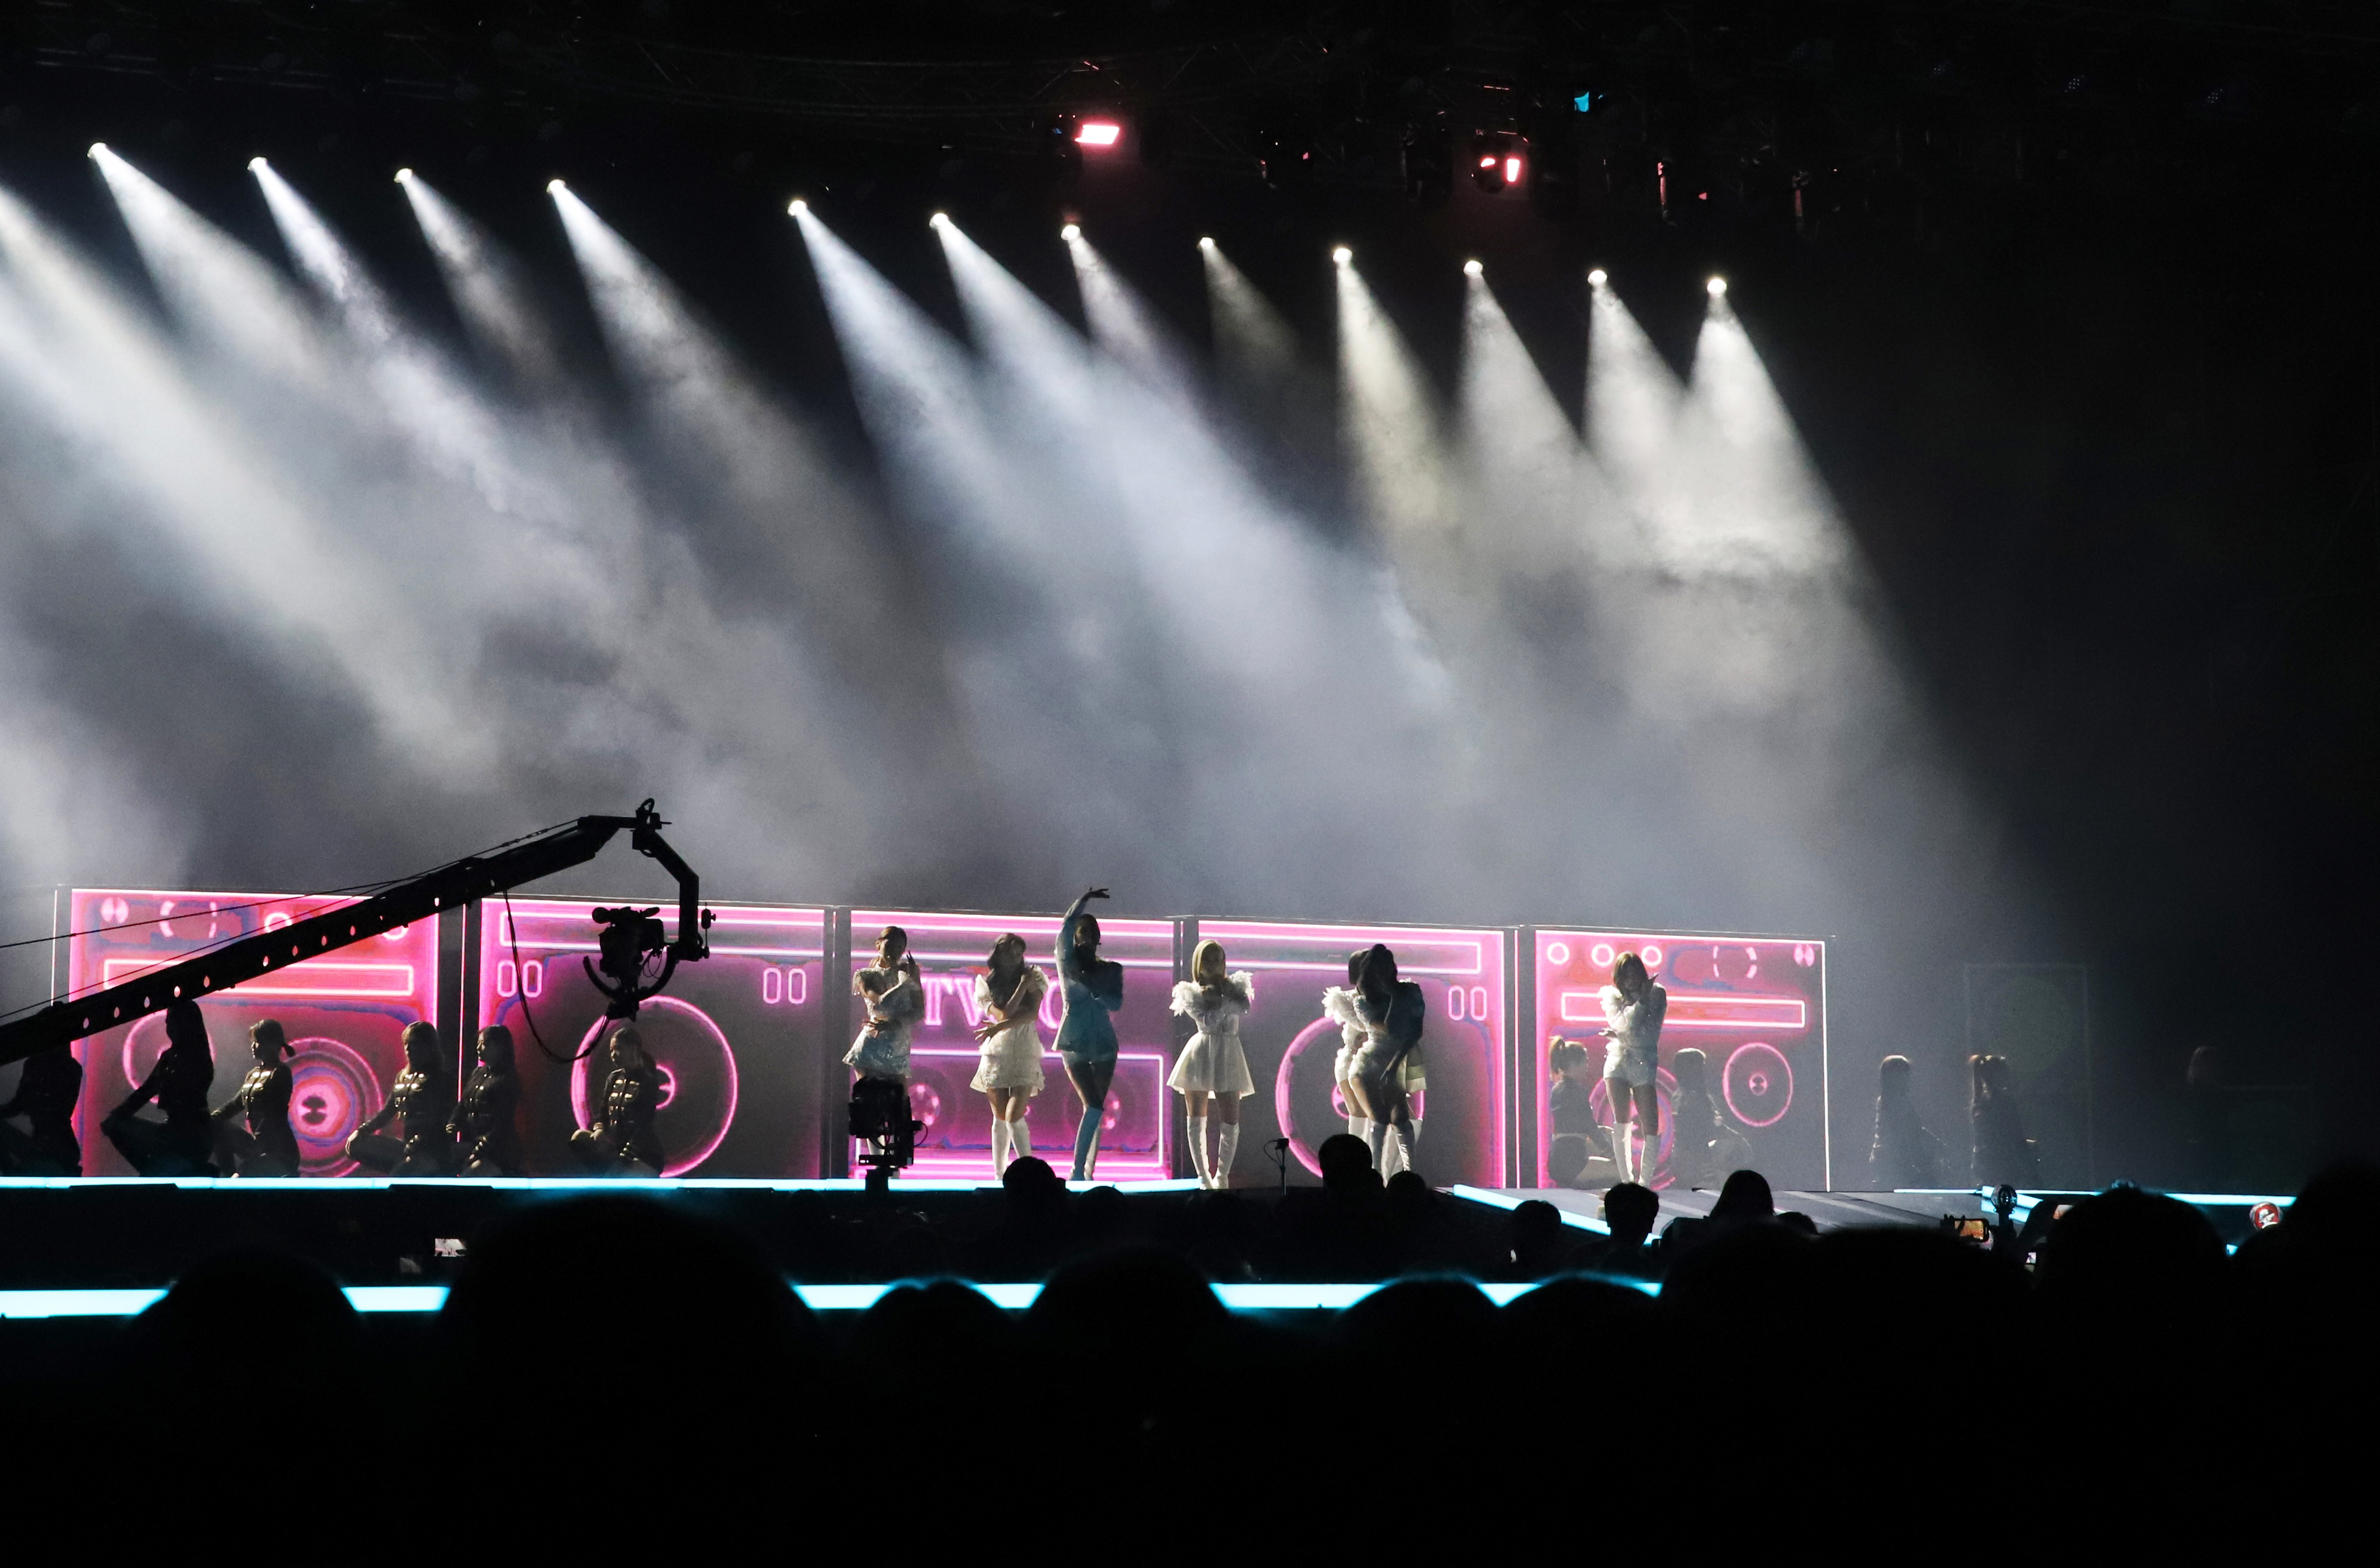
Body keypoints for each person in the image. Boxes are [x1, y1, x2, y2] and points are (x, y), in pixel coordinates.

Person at [1168, 938, 1255, 1188]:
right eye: (1207, 959)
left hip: (1229, 1053)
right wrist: (1225, 1002)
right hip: (1201, 1052)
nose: (1213, 964)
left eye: (1218, 959)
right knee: (1197, 1119)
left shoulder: (1235, 986)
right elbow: (1208, 1022)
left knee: (1231, 1120)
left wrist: (1224, 996)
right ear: (1198, 963)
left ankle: (1223, 1177)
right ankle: (1203, 1178)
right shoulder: (1190, 992)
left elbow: (1245, 1008)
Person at [1054, 887, 1125, 1181]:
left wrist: (1096, 989)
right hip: (1074, 1040)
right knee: (1094, 1105)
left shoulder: (1111, 969)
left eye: (1093, 932)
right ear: (1076, 936)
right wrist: (1084, 900)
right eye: (1083, 931)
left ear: (1099, 938)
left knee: (1095, 1109)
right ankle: (1077, 1172)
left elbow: (1116, 1003)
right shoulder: (1067, 962)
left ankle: (1087, 1172)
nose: (1088, 936)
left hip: (1104, 1040)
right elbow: (1065, 926)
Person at [105, 998, 218, 1176]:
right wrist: (117, 1116)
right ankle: (153, 1171)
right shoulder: (170, 1057)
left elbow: (162, 1092)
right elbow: (146, 1091)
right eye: (168, 1022)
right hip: (172, 1132)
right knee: (116, 1127)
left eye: (174, 1022)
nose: (170, 1027)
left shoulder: (198, 1059)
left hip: (192, 1137)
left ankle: (161, 1171)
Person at [969, 932, 1048, 1177]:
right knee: (1000, 1117)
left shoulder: (1035, 977)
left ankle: (1030, 1173)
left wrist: (999, 1027)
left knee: (1014, 1116)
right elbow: (1005, 1013)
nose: (1014, 957)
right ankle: (999, 1175)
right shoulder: (987, 984)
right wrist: (1022, 986)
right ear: (998, 954)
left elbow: (1031, 1014)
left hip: (1024, 1049)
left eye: (1018, 953)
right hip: (997, 1052)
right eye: (1008, 952)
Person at [1343, 944, 1426, 1175]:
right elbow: (1389, 1029)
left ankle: (1410, 1177)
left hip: (1394, 1064)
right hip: (1369, 1064)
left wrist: (1395, 1063)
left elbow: (1415, 1032)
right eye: (1381, 968)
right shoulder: (1363, 1001)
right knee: (1380, 1120)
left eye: (1389, 966)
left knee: (1401, 1119)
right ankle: (1375, 1176)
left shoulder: (1411, 991)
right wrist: (1396, 996)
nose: (1386, 972)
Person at [346, 1021, 456, 1176]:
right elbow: (388, 1112)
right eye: (406, 1044)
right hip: (406, 1146)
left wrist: (417, 1144)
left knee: (398, 1178)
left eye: (414, 1044)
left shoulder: (441, 1079)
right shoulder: (403, 1077)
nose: (408, 1049)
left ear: (428, 1046)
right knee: (356, 1145)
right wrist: (362, 1131)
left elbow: (438, 1120)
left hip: (431, 1151)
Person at [1600, 952, 1667, 1185]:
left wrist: (1621, 1035)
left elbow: (1647, 1036)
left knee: (1651, 1126)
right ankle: (1626, 1183)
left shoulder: (1657, 994)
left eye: (1633, 974)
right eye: (1624, 975)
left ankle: (1644, 1184)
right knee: (1621, 1122)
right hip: (1617, 1060)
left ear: (1641, 973)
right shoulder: (1611, 997)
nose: (1629, 980)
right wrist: (1640, 1004)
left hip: (1643, 1062)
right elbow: (1624, 1025)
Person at [211, 1019, 300, 1177]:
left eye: (258, 1042)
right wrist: (212, 1119)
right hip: (258, 1146)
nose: (253, 1046)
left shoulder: (281, 1073)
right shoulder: (253, 1074)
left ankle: (234, 1179)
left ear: (271, 1044)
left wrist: (260, 1144)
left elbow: (275, 1113)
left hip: (280, 1153)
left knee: (242, 1177)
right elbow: (236, 1104)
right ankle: (228, 1174)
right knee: (219, 1127)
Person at [572, 1023, 664, 1176]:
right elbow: (602, 1113)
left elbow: (643, 1128)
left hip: (643, 1154)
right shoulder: (613, 1078)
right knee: (580, 1138)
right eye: (612, 1050)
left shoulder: (648, 1082)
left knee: (620, 1174)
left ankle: (614, 1177)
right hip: (616, 1147)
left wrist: (623, 1161)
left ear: (633, 1049)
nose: (614, 1055)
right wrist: (600, 1130)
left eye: (619, 1049)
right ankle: (605, 1177)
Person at [847, 925, 924, 1084]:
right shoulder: (865, 975)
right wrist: (904, 984)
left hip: (898, 1048)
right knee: (870, 1097)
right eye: (891, 945)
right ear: (879, 945)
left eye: (900, 948)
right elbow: (880, 1003)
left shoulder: (909, 972)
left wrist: (895, 1024)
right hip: (872, 1046)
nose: (895, 951)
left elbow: (919, 1011)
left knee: (898, 1099)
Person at [1668, 1048, 1746, 1190]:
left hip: (1689, 1159)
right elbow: (1700, 1132)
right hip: (1697, 1163)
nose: (1706, 1070)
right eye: (1702, 1066)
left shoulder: (1684, 1096)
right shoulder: (1691, 1099)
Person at [0, 1045, 83, 1175]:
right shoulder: (70, 1067)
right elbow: (19, 1105)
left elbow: (18, 1105)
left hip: (52, 1148)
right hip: (57, 1148)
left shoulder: (39, 1065)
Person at [453, 1024, 522, 1176]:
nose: (478, 1048)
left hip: (498, 1152)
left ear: (500, 1047)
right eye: (478, 1043)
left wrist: (478, 1151)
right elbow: (463, 1105)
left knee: (467, 1179)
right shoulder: (477, 1074)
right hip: (474, 1143)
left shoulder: (507, 1080)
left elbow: (501, 1125)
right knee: (442, 1156)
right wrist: (451, 1127)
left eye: (484, 1044)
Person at [1868, 1054, 1946, 1190]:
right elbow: (1908, 1132)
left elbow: (1914, 1129)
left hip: (1891, 1160)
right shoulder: (1894, 1102)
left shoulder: (1893, 1100)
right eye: (1904, 1073)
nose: (1908, 1078)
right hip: (1893, 1161)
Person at [1322, 953, 1371, 1149]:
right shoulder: (1345, 999)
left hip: (1376, 1062)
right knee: (1359, 1114)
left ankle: (1379, 1164)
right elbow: (1361, 1024)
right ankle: (1355, 1161)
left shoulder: (1385, 999)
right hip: (1352, 1062)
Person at [1546, 1039, 1609, 1187]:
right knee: (1621, 1173)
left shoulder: (1557, 1089)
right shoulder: (1577, 1092)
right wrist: (1610, 1152)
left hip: (1557, 1158)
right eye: (1585, 1062)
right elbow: (1590, 1127)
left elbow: (1574, 1125)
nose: (1587, 1067)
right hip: (1572, 1162)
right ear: (1574, 1064)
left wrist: (1602, 1132)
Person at [1969, 1052, 2037, 1187]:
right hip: (2005, 1165)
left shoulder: (1979, 1102)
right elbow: (2014, 1136)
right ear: (1999, 1075)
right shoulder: (2005, 1102)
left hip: (1985, 1165)